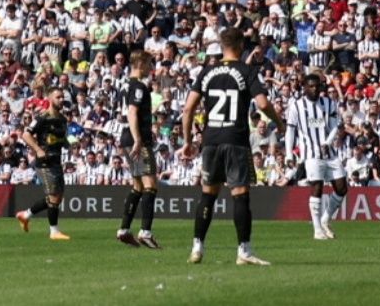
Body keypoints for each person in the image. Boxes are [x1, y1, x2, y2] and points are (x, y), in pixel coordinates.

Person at [181, 27, 273, 267]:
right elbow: (262, 103)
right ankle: (244, 250)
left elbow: (188, 108)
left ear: (222, 46)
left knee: (208, 195)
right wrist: (280, 122)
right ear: (241, 46)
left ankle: (197, 247)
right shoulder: (246, 70)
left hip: (211, 140)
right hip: (236, 139)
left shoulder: (207, 71)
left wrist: (188, 142)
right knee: (240, 196)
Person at [281, 71, 345, 240]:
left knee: (341, 187)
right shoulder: (296, 106)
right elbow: (290, 130)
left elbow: (334, 127)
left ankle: (325, 219)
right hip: (311, 153)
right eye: (311, 86)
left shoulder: (329, 103)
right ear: (304, 88)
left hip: (329, 152)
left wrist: (327, 143)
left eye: (317, 86)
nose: (315, 89)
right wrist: (289, 154)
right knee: (317, 187)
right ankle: (317, 229)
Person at [116, 51, 162, 249]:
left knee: (138, 186)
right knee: (150, 185)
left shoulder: (123, 85)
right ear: (140, 64)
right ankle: (146, 232)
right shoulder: (138, 86)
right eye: (149, 63)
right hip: (137, 140)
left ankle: (124, 230)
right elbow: (132, 112)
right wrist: (138, 139)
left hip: (126, 137)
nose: (150, 68)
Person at [13, 89, 71, 240]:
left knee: (57, 198)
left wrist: (67, 143)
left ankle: (25, 215)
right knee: (53, 197)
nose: (61, 99)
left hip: (57, 161)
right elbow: (26, 134)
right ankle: (54, 231)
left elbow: (61, 138)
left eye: (63, 97)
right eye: (58, 97)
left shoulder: (63, 119)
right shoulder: (42, 117)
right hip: (44, 163)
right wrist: (38, 149)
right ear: (50, 98)